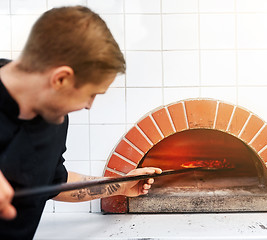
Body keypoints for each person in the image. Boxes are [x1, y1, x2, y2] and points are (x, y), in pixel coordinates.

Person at [0, 6, 161, 239]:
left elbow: (58, 182)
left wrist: (120, 184)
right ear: (61, 79)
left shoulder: (54, 119)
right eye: (91, 94)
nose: (89, 105)